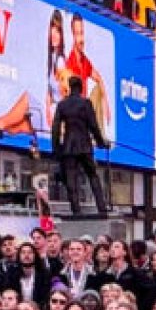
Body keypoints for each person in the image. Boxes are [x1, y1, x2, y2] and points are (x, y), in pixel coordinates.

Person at [51, 75, 109, 217]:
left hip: (69, 147)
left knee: (71, 178)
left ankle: (76, 210)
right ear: (81, 87)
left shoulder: (62, 105)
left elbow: (55, 128)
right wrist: (101, 142)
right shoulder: (85, 103)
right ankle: (102, 208)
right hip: (84, 146)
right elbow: (93, 125)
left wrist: (56, 148)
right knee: (93, 175)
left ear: (70, 87)